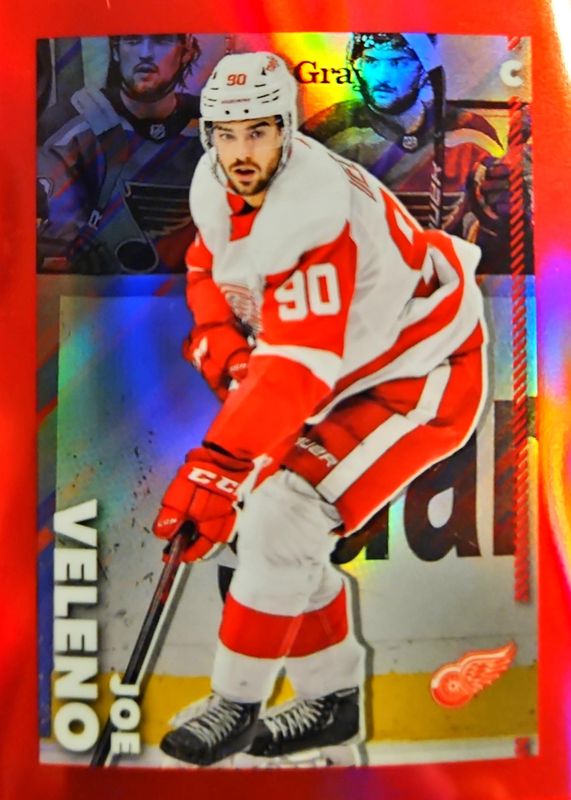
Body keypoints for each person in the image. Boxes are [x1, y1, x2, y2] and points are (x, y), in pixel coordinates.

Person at [151, 51, 489, 766]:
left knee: (280, 513)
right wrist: (222, 343)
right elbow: (210, 266)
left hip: (417, 377)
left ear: (287, 127)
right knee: (269, 529)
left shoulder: (312, 214)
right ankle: (332, 702)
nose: (241, 152)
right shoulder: (225, 180)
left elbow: (297, 369)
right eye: (226, 134)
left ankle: (235, 703)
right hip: (346, 371)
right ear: (209, 135)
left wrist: (214, 469)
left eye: (258, 132)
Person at [302, 33, 514, 272]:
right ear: (356, 66)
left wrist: (504, 207)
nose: (382, 77)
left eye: (398, 62)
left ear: (424, 69)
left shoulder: (469, 133)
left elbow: (497, 238)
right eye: (371, 62)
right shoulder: (326, 136)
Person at [37, 34, 203, 274]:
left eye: (161, 41)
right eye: (133, 41)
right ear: (115, 51)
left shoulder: (220, 127)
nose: (145, 54)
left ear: (187, 51)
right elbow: (51, 242)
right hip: (95, 292)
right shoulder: (71, 127)